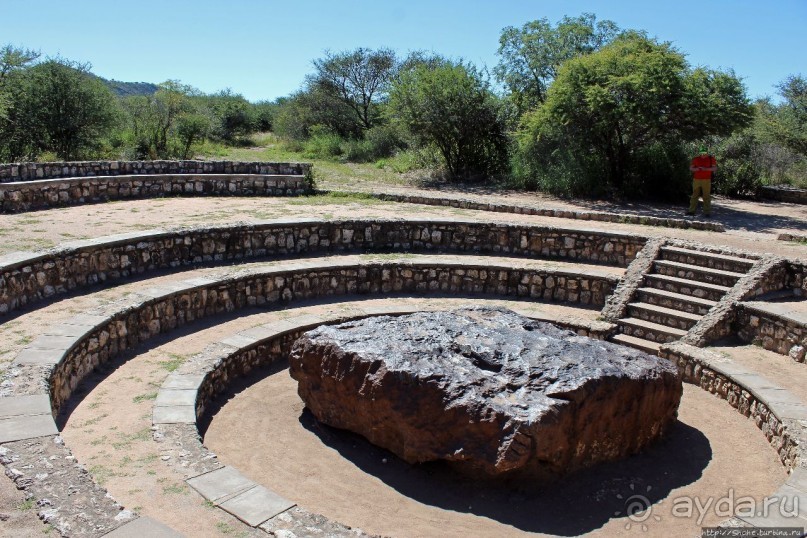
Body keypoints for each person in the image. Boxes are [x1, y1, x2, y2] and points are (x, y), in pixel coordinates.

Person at [688, 145, 717, 217]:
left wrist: (705, 169)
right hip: (696, 179)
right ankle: (691, 211)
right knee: (694, 195)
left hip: (707, 180)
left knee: (706, 196)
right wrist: (698, 169)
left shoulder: (711, 159)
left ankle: (707, 212)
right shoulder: (696, 159)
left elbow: (714, 168)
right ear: (700, 152)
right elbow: (691, 168)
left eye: (704, 153)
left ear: (707, 152)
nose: (703, 154)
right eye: (702, 153)